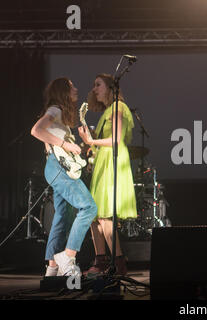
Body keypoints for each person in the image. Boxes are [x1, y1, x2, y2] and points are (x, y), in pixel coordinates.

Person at [30, 78, 98, 276]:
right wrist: (66, 144)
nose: (76, 89)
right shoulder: (55, 110)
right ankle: (67, 257)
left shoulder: (59, 114)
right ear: (63, 92)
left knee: (62, 217)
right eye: (71, 87)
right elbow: (36, 130)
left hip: (57, 168)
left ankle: (52, 267)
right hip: (57, 168)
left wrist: (79, 147)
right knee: (89, 207)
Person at [78, 73, 137, 276]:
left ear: (110, 88)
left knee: (104, 216)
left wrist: (91, 142)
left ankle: (119, 264)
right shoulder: (108, 111)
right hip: (104, 162)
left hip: (113, 163)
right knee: (95, 216)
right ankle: (101, 260)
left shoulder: (118, 107)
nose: (94, 89)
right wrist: (92, 148)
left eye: (98, 85)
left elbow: (116, 139)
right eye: (94, 85)